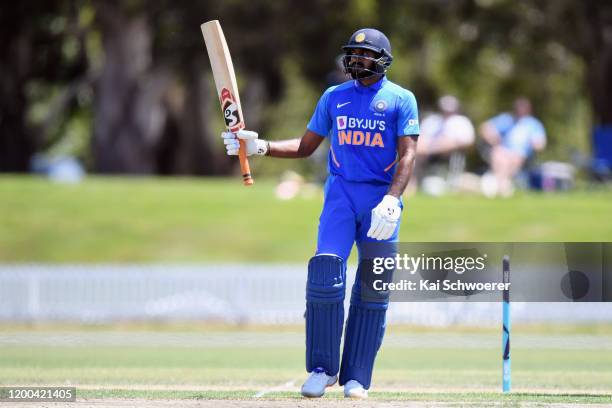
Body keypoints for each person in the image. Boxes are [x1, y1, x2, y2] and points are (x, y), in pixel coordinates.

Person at [221, 28, 419, 399]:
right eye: (353, 53)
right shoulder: (334, 97)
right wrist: (259, 145)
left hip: (381, 201)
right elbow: (304, 146)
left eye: (363, 54)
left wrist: (393, 200)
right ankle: (322, 370)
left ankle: (357, 376)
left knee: (373, 288)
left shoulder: (401, 99)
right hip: (340, 196)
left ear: (381, 59)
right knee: (326, 274)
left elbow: (408, 155)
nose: (355, 60)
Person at [479, 97, 546, 197]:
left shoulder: (533, 124)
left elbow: (540, 144)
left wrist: (533, 143)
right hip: (504, 150)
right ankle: (502, 185)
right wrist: (494, 139)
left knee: (514, 157)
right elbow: (485, 127)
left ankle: (501, 186)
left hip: (522, 153)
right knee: (499, 154)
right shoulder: (507, 119)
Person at [411, 95, 475, 193]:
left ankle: (453, 188)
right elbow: (421, 137)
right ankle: (412, 184)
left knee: (448, 144)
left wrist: (441, 145)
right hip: (428, 152)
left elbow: (468, 141)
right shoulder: (432, 120)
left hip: (451, 153)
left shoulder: (461, 121)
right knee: (413, 153)